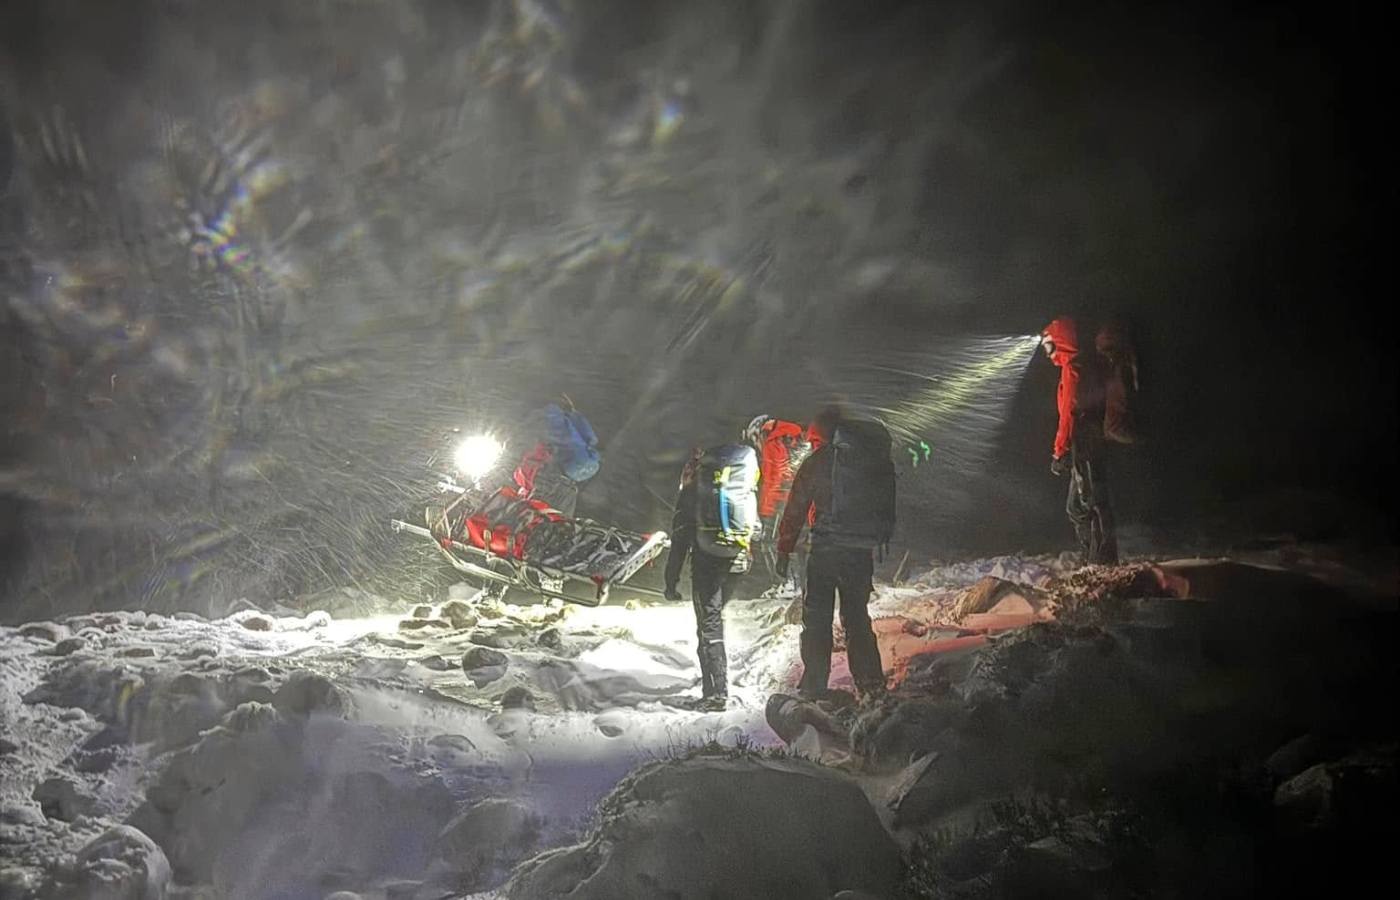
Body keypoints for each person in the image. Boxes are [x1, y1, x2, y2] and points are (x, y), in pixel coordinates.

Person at [777, 406, 894, 702]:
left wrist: (784, 548)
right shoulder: (868, 461)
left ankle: (815, 685)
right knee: (856, 617)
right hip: (859, 551)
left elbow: (795, 509)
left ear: (821, 436)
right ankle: (871, 685)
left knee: (816, 618)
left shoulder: (819, 461)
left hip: (826, 551)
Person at [664, 442, 760, 711]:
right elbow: (757, 529)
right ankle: (715, 682)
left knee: (709, 625)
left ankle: (716, 693)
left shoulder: (693, 492)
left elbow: (681, 537)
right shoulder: (738, 487)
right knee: (713, 620)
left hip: (708, 562)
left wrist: (671, 580)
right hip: (738, 561)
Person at [1042, 316, 1119, 566]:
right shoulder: (1080, 366)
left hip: (1084, 440)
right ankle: (1094, 559)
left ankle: (1100, 563)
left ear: (1061, 342)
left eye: (1049, 345)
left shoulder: (1074, 369)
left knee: (1090, 502)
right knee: (1079, 505)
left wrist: (1060, 451)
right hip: (1089, 438)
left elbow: (1069, 413)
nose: (1046, 352)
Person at [742, 414, 815, 597]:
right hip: (797, 499)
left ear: (758, 432)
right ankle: (795, 584)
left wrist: (766, 507)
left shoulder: (772, 443)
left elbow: (776, 478)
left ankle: (785, 583)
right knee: (791, 543)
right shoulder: (791, 438)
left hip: (780, 501)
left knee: (770, 542)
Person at [512, 393, 600, 518]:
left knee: (524, 521)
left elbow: (519, 443)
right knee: (556, 526)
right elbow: (591, 439)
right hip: (570, 482)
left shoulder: (543, 418)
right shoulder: (574, 419)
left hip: (548, 476)